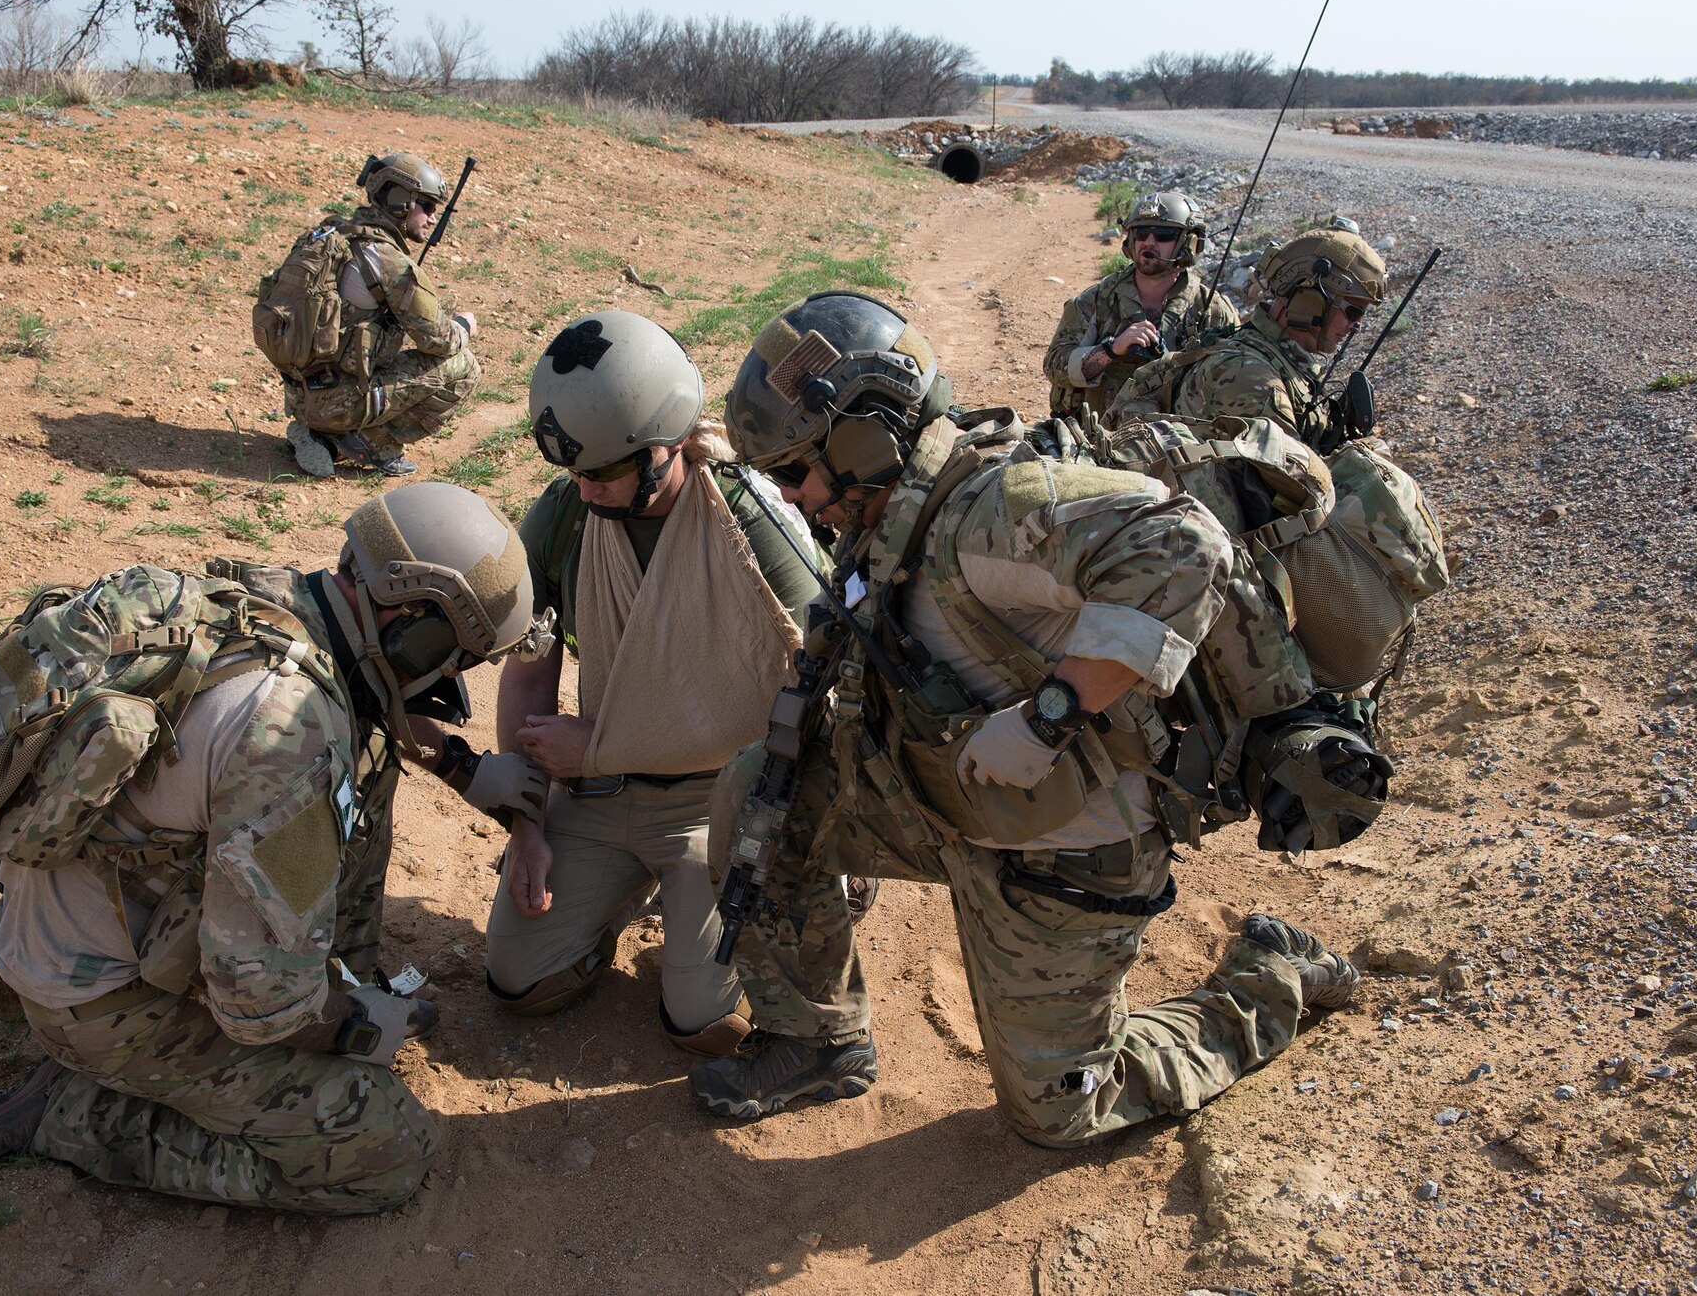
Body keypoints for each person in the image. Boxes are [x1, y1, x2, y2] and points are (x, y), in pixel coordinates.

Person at [691, 291, 1361, 1146]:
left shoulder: (992, 509)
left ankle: (1270, 974)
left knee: (1062, 1109)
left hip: (1064, 852)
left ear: (864, 437)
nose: (791, 493)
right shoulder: (890, 506)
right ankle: (815, 1040)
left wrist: (1051, 714)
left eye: (795, 469)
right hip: (947, 799)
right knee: (761, 796)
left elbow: (1186, 547)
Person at [0, 484, 554, 1213]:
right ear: (412, 625)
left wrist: (464, 768)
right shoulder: (291, 736)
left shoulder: (275, 601)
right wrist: (352, 1024)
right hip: (106, 1008)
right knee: (383, 1146)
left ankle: (318, 973)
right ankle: (76, 1113)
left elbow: (375, 708)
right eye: (457, 656)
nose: (453, 679)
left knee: (369, 752)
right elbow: (257, 1001)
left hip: (68, 934)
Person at [487, 310, 824, 1056]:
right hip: (600, 793)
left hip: (719, 804)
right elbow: (529, 676)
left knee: (704, 1024)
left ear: (664, 449)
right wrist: (528, 820)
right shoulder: (568, 516)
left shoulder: (747, 519)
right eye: (572, 471)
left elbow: (818, 698)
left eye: (602, 471)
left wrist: (605, 746)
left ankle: (803, 888)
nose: (582, 488)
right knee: (519, 979)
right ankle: (633, 885)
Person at [281, 152, 481, 478]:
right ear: (401, 199)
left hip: (299, 394)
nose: (432, 218)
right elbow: (439, 341)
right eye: (427, 206)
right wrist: (463, 326)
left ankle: (321, 437)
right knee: (465, 366)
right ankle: (373, 441)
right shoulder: (387, 260)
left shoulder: (327, 236)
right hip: (338, 404)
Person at [1107, 226, 1386, 453]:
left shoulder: (1276, 359)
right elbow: (1300, 490)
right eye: (1352, 311)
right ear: (1309, 299)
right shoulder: (1251, 377)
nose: (1356, 326)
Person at [1041, 191, 1238, 420]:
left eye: (1163, 235)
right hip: (1096, 439)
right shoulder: (1096, 301)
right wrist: (1110, 351)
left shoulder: (1212, 311)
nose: (1149, 242)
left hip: (1178, 443)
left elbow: (1232, 382)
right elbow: (1055, 366)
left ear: (1189, 243)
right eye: (1142, 233)